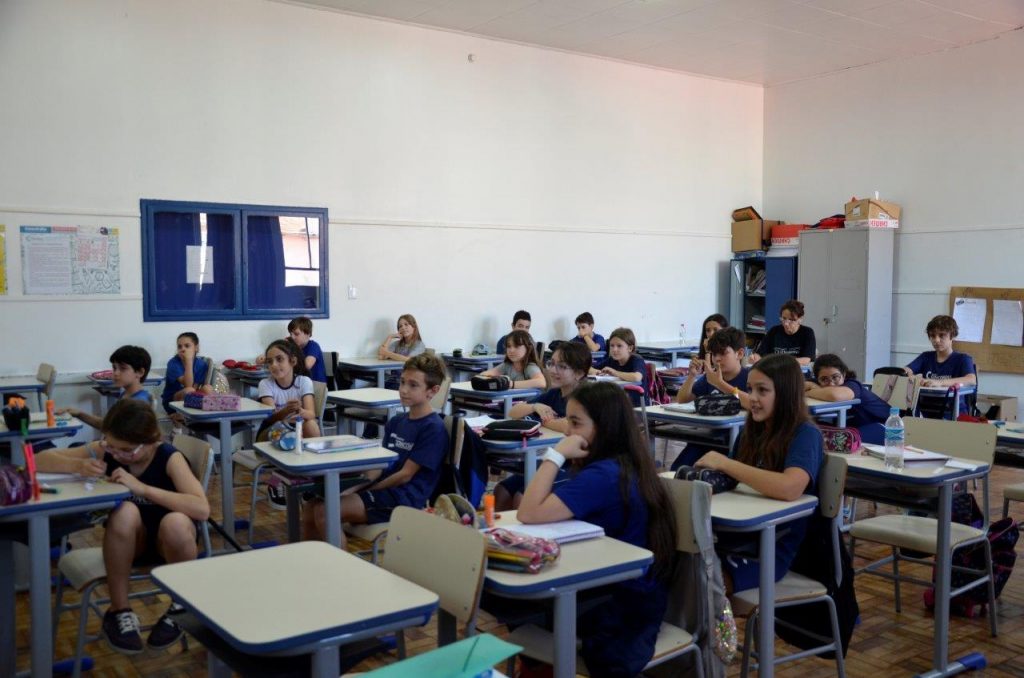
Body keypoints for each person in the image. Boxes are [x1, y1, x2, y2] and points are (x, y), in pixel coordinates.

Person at [517, 382, 676, 677]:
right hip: (629, 592)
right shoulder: (623, 463)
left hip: (620, 605)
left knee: (514, 603)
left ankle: (539, 668)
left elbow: (528, 512)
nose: (568, 431)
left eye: (576, 423)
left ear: (605, 428)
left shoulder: (604, 475)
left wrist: (555, 455)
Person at [36, 399, 209, 654]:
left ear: (151, 440)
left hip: (171, 546)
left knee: (175, 521)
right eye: (111, 446)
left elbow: (201, 508)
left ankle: (181, 606)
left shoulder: (168, 457)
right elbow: (39, 459)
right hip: (128, 545)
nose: (117, 455)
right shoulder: (109, 449)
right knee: (126, 511)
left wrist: (143, 489)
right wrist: (78, 465)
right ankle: (119, 609)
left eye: (126, 450)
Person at [694, 353, 823, 594]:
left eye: (762, 391)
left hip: (773, 545)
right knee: (679, 567)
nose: (752, 398)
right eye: (749, 389)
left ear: (785, 394)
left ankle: (714, 618)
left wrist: (726, 464)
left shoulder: (805, 434)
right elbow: (732, 481)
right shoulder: (751, 430)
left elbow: (790, 487)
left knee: (705, 584)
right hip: (736, 534)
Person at [302, 354, 449, 547]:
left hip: (405, 498)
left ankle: (339, 564)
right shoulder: (397, 421)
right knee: (310, 507)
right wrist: (353, 488)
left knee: (325, 511)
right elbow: (380, 467)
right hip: (385, 489)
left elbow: (405, 475)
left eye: (413, 385)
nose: (403, 390)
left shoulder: (433, 428)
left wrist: (368, 490)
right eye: (402, 382)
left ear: (433, 391)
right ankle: (313, 561)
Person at [494, 341, 592, 510]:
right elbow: (513, 412)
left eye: (562, 366)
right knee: (500, 491)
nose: (553, 370)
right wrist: (535, 406)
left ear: (579, 373)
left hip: (575, 465)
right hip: (551, 459)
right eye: (551, 363)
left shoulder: (586, 396)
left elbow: (568, 427)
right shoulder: (554, 393)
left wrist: (545, 420)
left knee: (522, 497)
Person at [671, 327, 750, 469]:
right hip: (706, 437)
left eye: (723, 353)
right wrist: (692, 376)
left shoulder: (749, 377)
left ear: (739, 354)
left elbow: (751, 403)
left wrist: (720, 384)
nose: (717, 359)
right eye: (714, 354)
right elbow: (682, 400)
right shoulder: (710, 378)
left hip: (738, 442)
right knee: (677, 469)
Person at [258, 339, 321, 508]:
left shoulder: (303, 381)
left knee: (311, 425)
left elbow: (311, 413)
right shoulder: (265, 384)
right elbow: (270, 418)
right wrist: (286, 410)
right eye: (270, 361)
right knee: (285, 435)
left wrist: (299, 410)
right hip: (271, 431)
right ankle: (275, 482)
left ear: (292, 361)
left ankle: (311, 477)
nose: (274, 365)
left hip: (296, 429)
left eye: (279, 359)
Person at [61, 345, 153, 429]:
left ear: (140, 372)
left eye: (123, 368)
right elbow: (111, 426)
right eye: (114, 368)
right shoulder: (126, 394)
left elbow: (123, 437)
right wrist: (79, 414)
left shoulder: (139, 403)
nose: (116, 373)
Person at [805, 353, 889, 444]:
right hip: (855, 427)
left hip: (883, 426)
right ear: (817, 379)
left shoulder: (852, 384)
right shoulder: (817, 384)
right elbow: (801, 385)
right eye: (824, 379)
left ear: (844, 375)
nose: (831, 383)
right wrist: (812, 386)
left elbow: (835, 395)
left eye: (835, 377)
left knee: (837, 442)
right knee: (811, 430)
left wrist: (809, 392)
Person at [905, 314, 977, 417]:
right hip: (926, 412)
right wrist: (913, 378)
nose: (936, 340)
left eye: (942, 335)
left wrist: (939, 383)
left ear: (952, 336)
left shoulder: (963, 358)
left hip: (953, 413)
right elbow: (905, 371)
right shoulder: (926, 357)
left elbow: (971, 379)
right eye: (932, 336)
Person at [160, 332, 213, 414]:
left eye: (187, 346)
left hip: (192, 397)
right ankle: (180, 415)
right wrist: (189, 361)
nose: (183, 349)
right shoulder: (173, 363)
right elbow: (188, 385)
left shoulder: (201, 364)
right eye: (179, 346)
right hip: (172, 401)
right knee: (189, 390)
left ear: (196, 348)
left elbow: (196, 387)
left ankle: (202, 415)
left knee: (208, 388)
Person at [751, 299, 816, 366]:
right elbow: (760, 354)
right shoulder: (774, 331)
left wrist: (779, 362)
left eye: (791, 320)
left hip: (796, 370)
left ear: (800, 319)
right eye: (784, 318)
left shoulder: (807, 332)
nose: (786, 324)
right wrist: (755, 358)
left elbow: (806, 360)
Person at [478, 329, 547, 389]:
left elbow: (541, 382)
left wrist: (511, 384)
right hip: (512, 399)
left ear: (528, 349)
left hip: (531, 401)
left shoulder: (530, 366)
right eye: (509, 346)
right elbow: (483, 375)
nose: (511, 350)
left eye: (516, 346)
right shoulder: (507, 365)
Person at [590, 327, 646, 393]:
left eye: (619, 346)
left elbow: (637, 377)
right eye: (612, 345)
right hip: (618, 395)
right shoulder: (612, 360)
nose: (614, 349)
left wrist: (615, 373)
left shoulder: (637, 360)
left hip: (635, 397)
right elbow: (589, 368)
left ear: (630, 348)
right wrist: (597, 371)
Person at [288, 316, 327, 383]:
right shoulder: (293, 347)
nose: (292, 337)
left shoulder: (313, 346)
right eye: (290, 334)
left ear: (308, 333)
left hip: (316, 385)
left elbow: (307, 366)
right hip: (301, 383)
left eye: (296, 334)